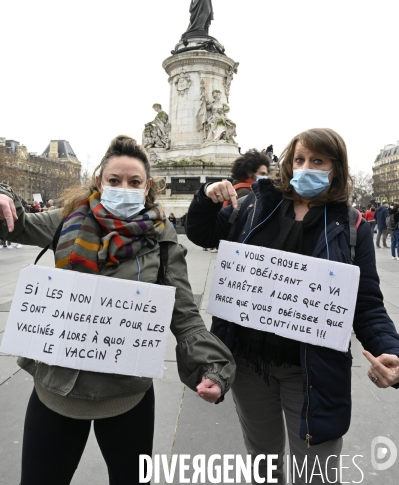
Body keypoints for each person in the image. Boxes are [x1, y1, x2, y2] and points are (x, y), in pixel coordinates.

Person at [0, 135, 235, 485]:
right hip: (56, 390)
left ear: (147, 186)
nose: (123, 187)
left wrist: (213, 367)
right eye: (114, 181)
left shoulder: (162, 236)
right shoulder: (67, 218)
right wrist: (3, 194)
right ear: (99, 182)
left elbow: (184, 313)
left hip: (127, 395)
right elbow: (14, 222)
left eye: (134, 182)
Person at [186, 127, 399, 485]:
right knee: (263, 464)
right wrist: (206, 197)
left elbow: (366, 302)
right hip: (250, 365)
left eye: (318, 160)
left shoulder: (351, 226)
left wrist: (390, 349)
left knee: (315, 472)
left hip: (313, 370)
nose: (306, 167)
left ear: (336, 169)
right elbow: (202, 233)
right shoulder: (255, 205)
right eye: (299, 159)